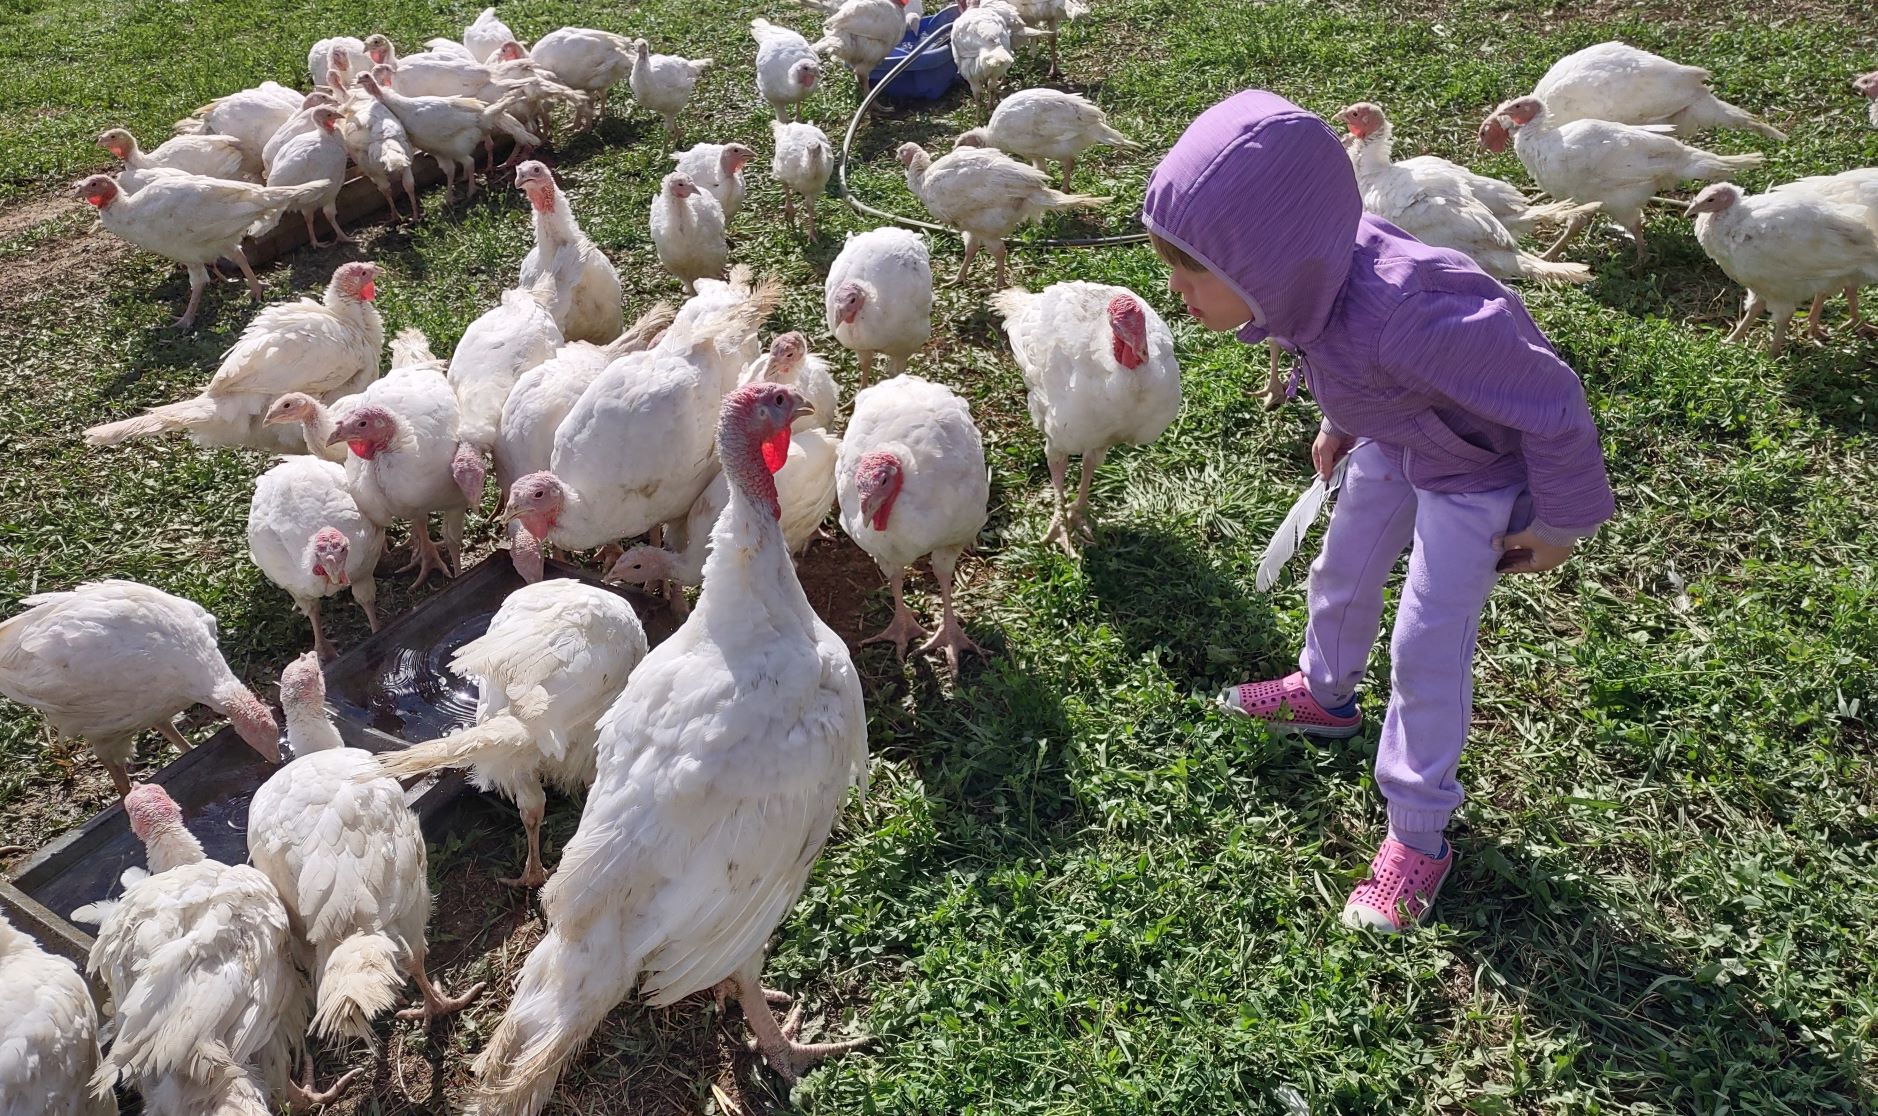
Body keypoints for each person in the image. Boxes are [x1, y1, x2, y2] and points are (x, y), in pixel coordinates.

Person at [1140, 89, 1615, 933]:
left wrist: (1564, 522)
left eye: (1192, 270)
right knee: (1344, 564)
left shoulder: (1414, 315)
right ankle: (1324, 693)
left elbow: (1550, 400)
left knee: (1427, 644)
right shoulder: (1305, 279)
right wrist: (1342, 418)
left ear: (1272, 258)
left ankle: (1420, 833)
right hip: (1396, 436)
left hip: (1474, 473)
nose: (1175, 290)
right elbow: (1330, 343)